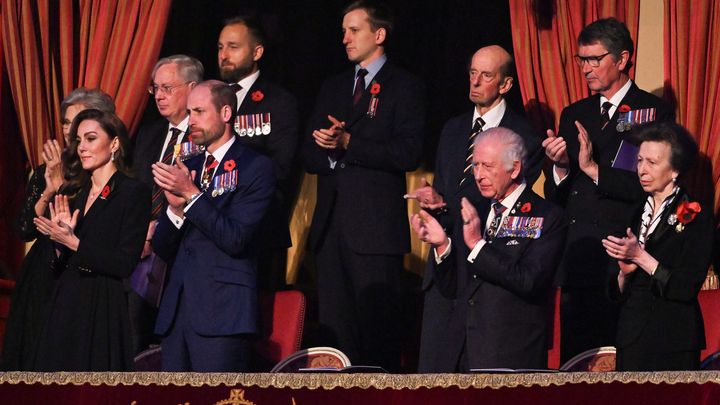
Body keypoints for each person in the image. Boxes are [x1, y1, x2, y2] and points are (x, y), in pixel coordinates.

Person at [541, 17, 675, 363]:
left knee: (620, 365)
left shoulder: (651, 112)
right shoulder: (575, 112)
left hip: (622, 254)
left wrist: (593, 170)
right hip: (579, 255)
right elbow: (558, 196)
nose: (586, 69)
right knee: (577, 366)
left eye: (595, 59)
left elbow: (649, 185)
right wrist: (560, 166)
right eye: (581, 60)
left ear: (623, 59)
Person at [302, 0, 425, 371]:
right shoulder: (334, 86)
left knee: (377, 335)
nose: (345, 39)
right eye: (343, 31)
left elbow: (408, 153)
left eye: (354, 30)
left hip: (375, 232)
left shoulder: (405, 86)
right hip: (330, 230)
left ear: (380, 34)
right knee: (336, 337)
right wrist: (327, 148)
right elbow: (307, 153)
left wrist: (350, 144)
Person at [405, 45, 544, 372]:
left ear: (505, 84)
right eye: (472, 73)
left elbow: (513, 208)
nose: (476, 81)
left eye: (486, 75)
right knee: (434, 379)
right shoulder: (453, 129)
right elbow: (444, 190)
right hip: (443, 269)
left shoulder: (524, 137)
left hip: (485, 277)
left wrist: (454, 211)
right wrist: (437, 204)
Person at [411, 127, 565, 371]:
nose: (478, 175)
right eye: (475, 166)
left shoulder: (547, 216)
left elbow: (529, 280)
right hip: (461, 351)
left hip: (508, 354)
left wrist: (478, 246)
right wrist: (442, 246)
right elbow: (453, 288)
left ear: (514, 168)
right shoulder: (475, 210)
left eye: (488, 166)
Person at [151, 80, 274, 372]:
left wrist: (192, 196)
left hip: (222, 312)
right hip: (177, 311)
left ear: (226, 113)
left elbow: (235, 238)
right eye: (189, 112)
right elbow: (162, 248)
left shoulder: (255, 167)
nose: (190, 120)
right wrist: (175, 209)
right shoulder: (188, 165)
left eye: (199, 111)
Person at [1, 89, 115, 370]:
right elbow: (25, 228)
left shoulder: (105, 172)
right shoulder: (48, 169)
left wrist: (63, 187)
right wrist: (49, 189)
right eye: (66, 122)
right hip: (41, 273)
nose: (69, 130)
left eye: (78, 122)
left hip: (78, 273)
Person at [32, 109, 150, 371]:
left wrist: (73, 242)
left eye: (91, 138)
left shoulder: (133, 192)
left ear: (115, 143)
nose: (82, 147)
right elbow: (57, 263)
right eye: (79, 140)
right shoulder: (76, 193)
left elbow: (124, 263)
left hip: (102, 305)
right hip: (65, 302)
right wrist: (60, 241)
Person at [602, 122, 712, 371]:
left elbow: (686, 287)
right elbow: (614, 291)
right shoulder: (633, 211)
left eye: (652, 163)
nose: (642, 169)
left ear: (674, 170)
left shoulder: (696, 215)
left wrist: (641, 257)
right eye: (639, 160)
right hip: (631, 335)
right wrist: (623, 273)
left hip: (673, 337)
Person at [218, 15, 299, 290]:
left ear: (257, 52)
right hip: (210, 225)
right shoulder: (210, 98)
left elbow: (281, 167)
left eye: (233, 46)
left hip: (257, 228)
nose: (224, 55)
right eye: (220, 47)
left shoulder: (278, 101)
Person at [130, 54, 203, 355]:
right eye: (154, 88)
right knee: (133, 334)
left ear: (192, 87)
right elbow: (135, 191)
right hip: (140, 252)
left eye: (167, 88)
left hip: (181, 249)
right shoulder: (149, 134)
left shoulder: (204, 135)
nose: (158, 95)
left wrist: (158, 229)